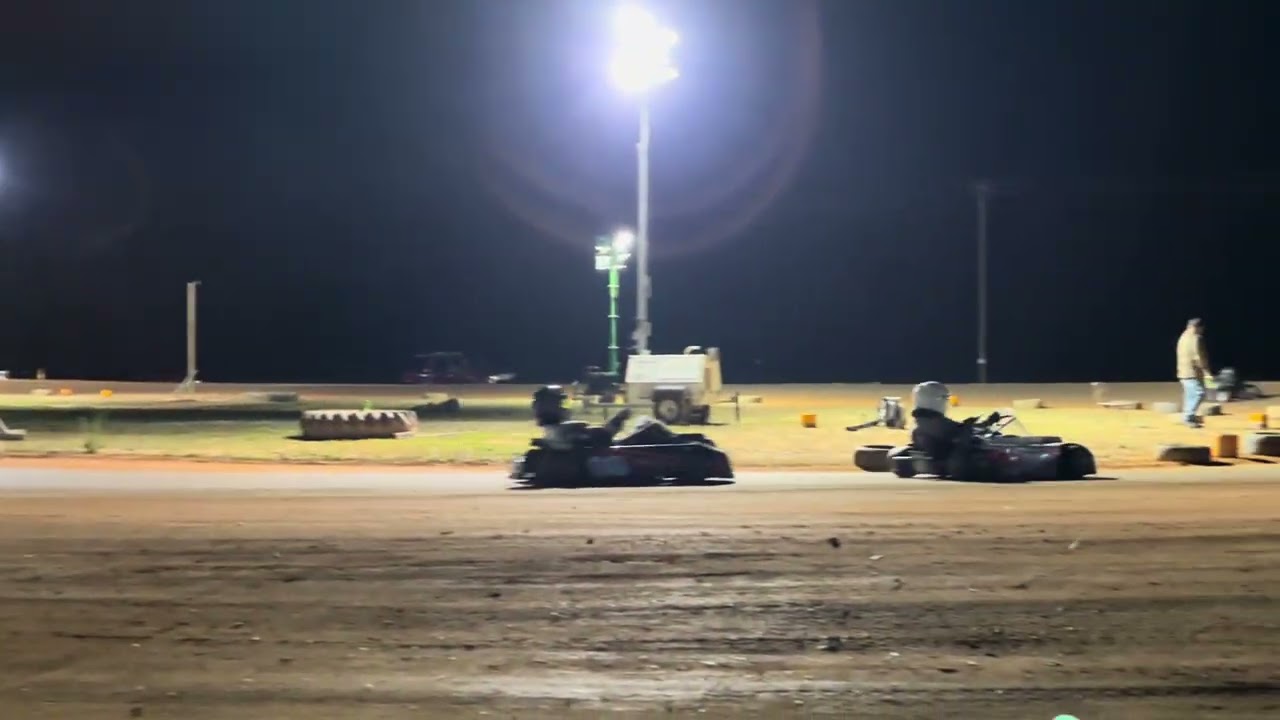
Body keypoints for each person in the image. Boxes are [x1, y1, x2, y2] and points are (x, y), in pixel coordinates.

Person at [531, 384, 630, 450]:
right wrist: (619, 418)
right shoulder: (568, 430)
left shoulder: (552, 433)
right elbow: (605, 434)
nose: (563, 407)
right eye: (560, 403)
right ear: (552, 406)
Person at [909, 381, 967, 461]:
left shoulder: (921, 420)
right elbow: (956, 429)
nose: (946, 403)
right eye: (944, 399)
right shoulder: (935, 423)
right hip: (946, 457)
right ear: (934, 399)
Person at [1175, 318, 1213, 428]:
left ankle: (1188, 416)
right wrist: (1207, 372)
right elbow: (1200, 357)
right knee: (1199, 393)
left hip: (1182, 372)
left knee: (1189, 395)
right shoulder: (1197, 338)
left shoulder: (1182, 337)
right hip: (1193, 372)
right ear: (1198, 327)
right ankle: (1188, 416)